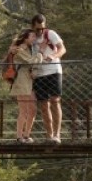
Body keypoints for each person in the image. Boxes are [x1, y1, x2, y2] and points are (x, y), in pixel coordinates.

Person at [28, 14, 66, 142]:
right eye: (38, 28)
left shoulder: (50, 34)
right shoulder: (30, 37)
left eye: (42, 28)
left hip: (54, 71)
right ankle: (49, 135)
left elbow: (62, 49)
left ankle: (57, 135)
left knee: (55, 101)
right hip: (39, 74)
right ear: (32, 26)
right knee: (44, 105)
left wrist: (53, 56)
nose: (40, 31)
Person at [6, 29, 39, 142]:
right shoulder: (19, 49)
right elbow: (31, 61)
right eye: (32, 36)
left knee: (33, 109)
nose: (34, 39)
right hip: (21, 81)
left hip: (29, 81)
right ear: (26, 38)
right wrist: (40, 55)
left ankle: (26, 135)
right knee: (24, 109)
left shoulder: (30, 49)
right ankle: (19, 136)